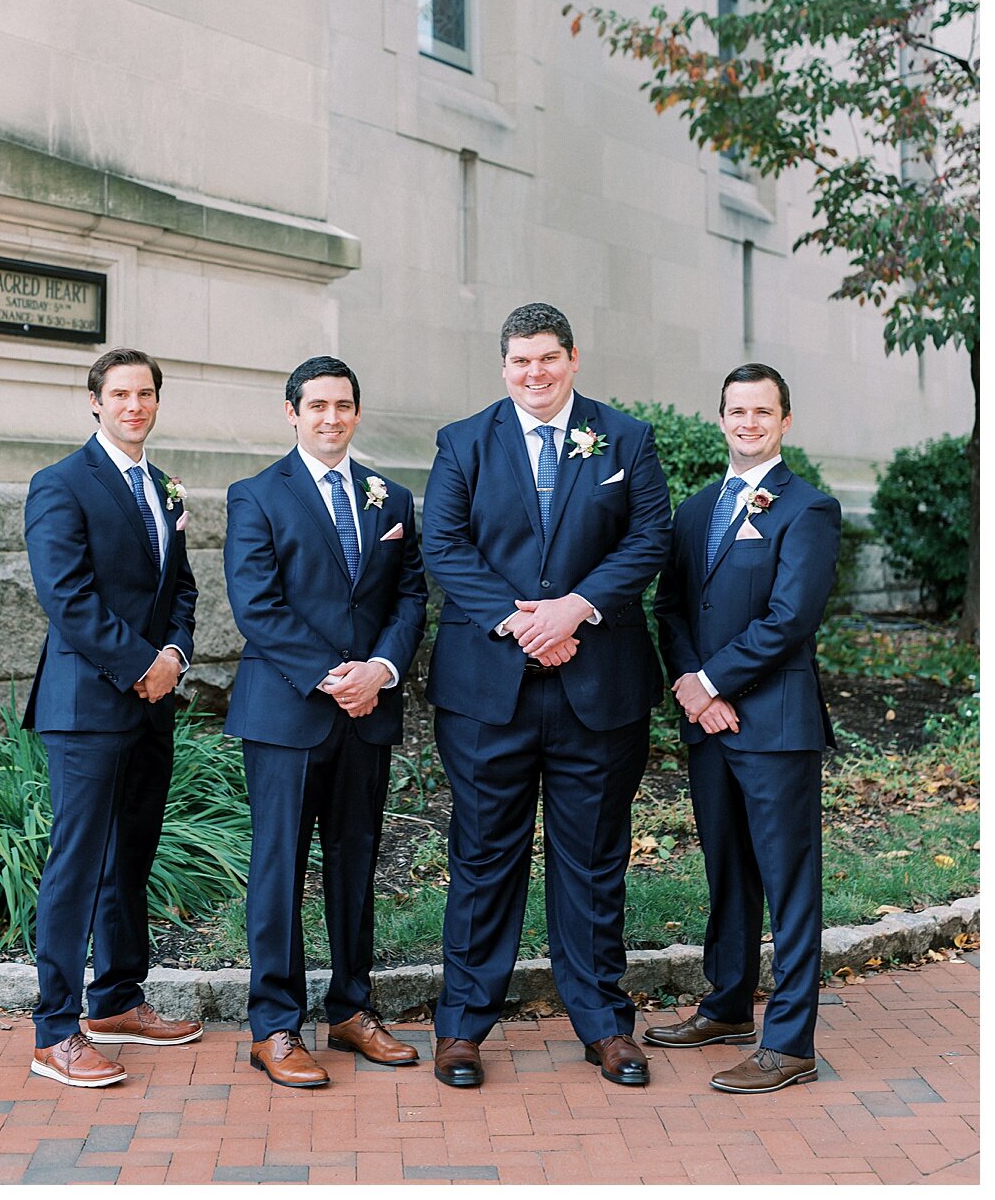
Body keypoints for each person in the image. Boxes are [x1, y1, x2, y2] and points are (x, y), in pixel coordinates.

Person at [421, 303, 672, 1088]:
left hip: (597, 686)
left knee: (594, 860)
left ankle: (603, 1024)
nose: (535, 373)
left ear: (572, 360)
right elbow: (443, 543)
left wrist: (575, 608)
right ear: (504, 367)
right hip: (487, 691)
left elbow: (648, 538)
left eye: (548, 359)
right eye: (521, 361)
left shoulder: (624, 438)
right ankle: (462, 1028)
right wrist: (519, 621)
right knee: (483, 859)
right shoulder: (463, 441)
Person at [223, 356, 428, 1090]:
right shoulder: (256, 496)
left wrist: (379, 671)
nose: (331, 417)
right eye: (317, 406)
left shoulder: (391, 496)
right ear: (292, 413)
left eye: (343, 405)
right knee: (279, 869)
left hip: (368, 710)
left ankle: (351, 1009)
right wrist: (331, 676)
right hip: (287, 712)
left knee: (355, 863)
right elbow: (257, 605)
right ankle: (274, 1026)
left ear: (356, 412)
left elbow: (410, 598)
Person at [649, 362, 841, 1093]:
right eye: (737, 411)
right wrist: (695, 692)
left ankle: (790, 1043)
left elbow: (790, 618)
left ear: (784, 421)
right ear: (721, 418)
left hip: (776, 726)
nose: (749, 422)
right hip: (710, 725)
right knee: (727, 871)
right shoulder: (695, 510)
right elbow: (670, 609)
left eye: (763, 412)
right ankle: (727, 1006)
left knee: (790, 886)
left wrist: (713, 682)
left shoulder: (808, 509)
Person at [23, 348, 201, 1088]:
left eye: (146, 393)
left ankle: (118, 999)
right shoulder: (60, 484)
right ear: (94, 401)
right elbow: (66, 598)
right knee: (77, 862)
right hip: (87, 706)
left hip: (151, 704)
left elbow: (182, 590)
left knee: (130, 854)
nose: (134, 405)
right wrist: (142, 665)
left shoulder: (163, 486)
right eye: (120, 393)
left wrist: (177, 656)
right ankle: (54, 1030)